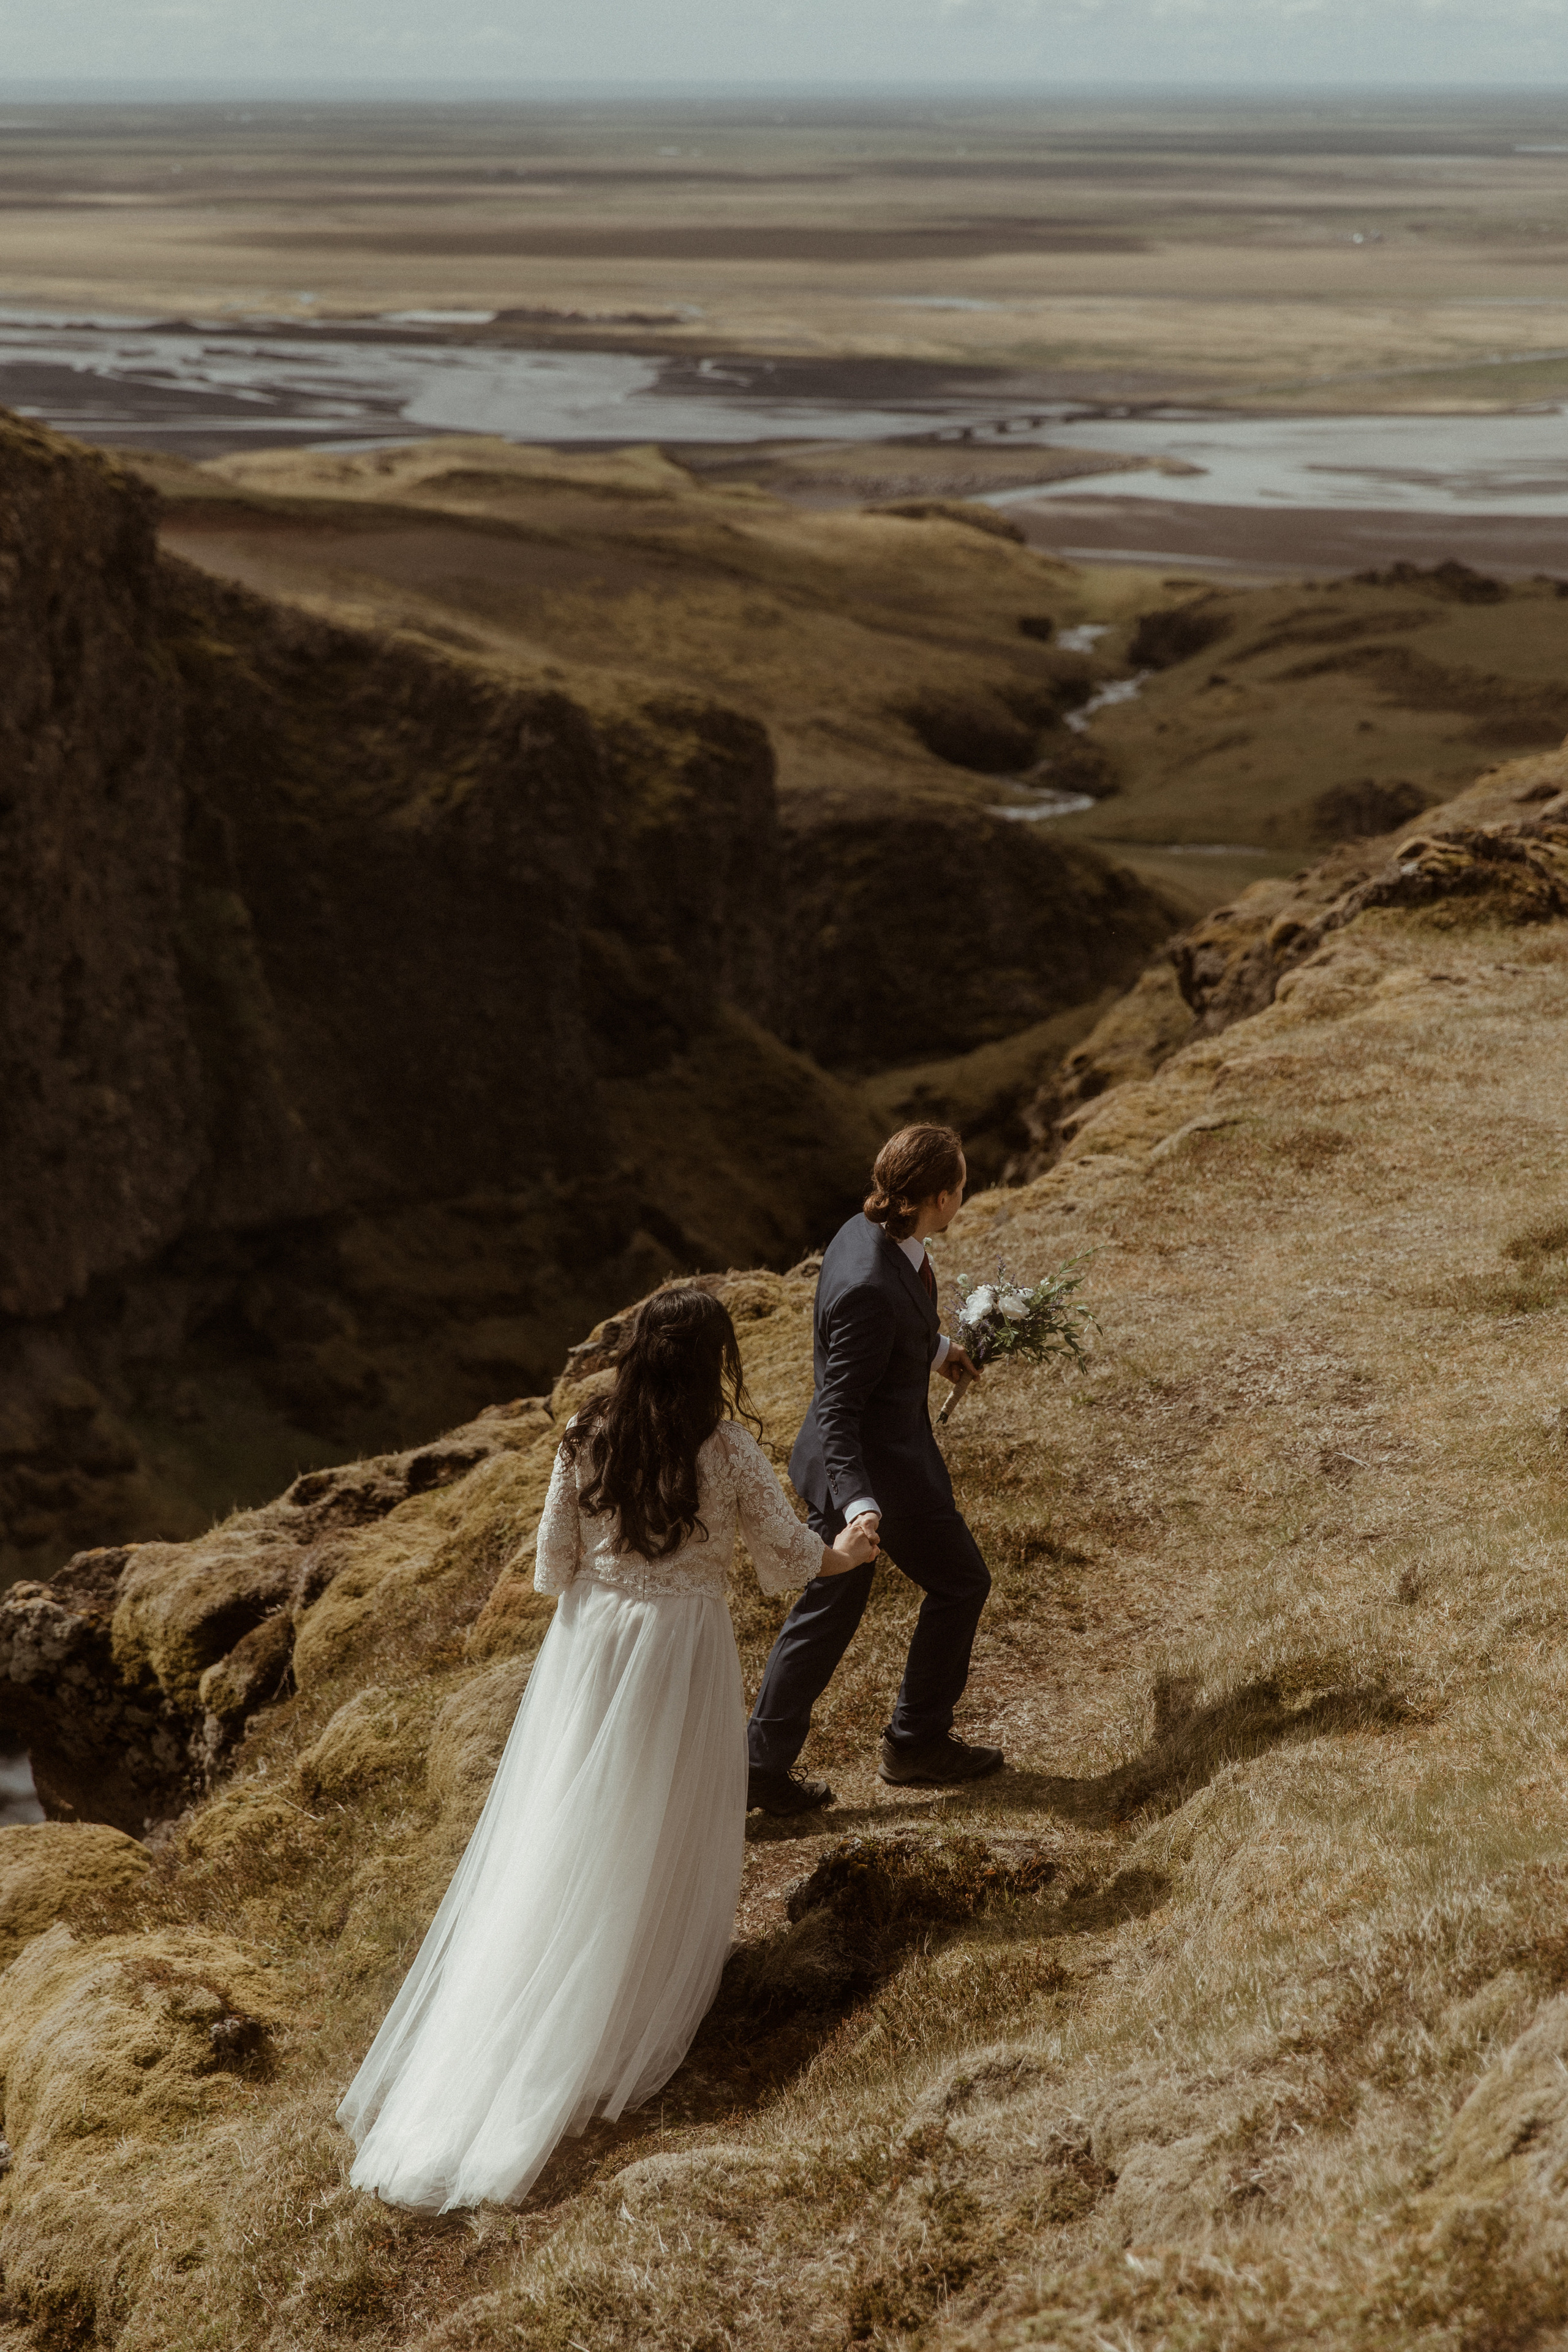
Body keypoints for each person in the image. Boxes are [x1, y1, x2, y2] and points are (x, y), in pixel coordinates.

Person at [337, 1286, 878, 2214]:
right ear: (712, 1361)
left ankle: (542, 1990)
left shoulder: (587, 1434)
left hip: (589, 1647)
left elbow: (554, 1566)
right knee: (660, 1817)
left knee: (569, 1820)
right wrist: (855, 1547)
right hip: (678, 1651)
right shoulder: (724, 1446)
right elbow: (789, 1555)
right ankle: (625, 1991)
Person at [746, 1123, 1001, 1815]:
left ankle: (760, 1765)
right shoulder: (866, 1280)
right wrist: (860, 1504)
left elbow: (888, 1328)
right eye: (963, 1185)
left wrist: (938, 1346)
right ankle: (914, 1741)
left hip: (873, 1461)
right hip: (870, 1472)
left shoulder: (867, 1231)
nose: (965, 1194)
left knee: (828, 1610)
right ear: (942, 1197)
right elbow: (838, 1407)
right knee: (960, 1582)